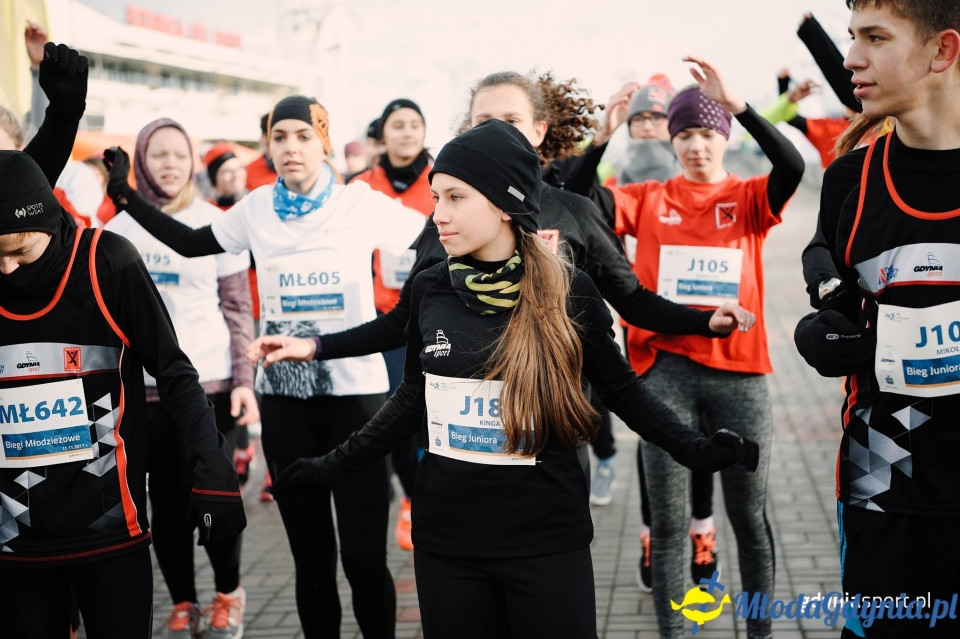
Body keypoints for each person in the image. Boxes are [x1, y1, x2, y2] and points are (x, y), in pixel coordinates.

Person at [251, 118, 760, 639]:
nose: (438, 215)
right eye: (435, 198)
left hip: (546, 537)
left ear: (501, 202)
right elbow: (410, 401)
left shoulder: (569, 290)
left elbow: (622, 391)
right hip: (447, 541)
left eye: (454, 198)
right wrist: (325, 468)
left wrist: (695, 449)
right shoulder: (431, 288)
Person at [102, 94, 426, 639]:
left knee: (365, 560)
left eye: (303, 136)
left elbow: (432, 238)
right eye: (280, 138)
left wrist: (416, 309)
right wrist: (126, 198)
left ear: (323, 141)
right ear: (268, 145)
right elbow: (189, 241)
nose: (291, 148)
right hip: (284, 401)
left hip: (360, 397)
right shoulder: (254, 208)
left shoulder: (358, 203)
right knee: (312, 560)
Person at [0, 44, 245, 639]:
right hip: (17, 545)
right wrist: (62, 115)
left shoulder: (106, 261)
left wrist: (212, 471)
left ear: (53, 228)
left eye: (19, 253)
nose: (6, 270)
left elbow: (172, 368)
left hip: (110, 533)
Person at [566, 57, 804, 639]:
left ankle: (760, 632)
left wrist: (741, 105)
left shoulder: (749, 197)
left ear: (724, 137)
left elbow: (792, 164)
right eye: (685, 135)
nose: (697, 146)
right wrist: (599, 139)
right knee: (670, 523)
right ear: (671, 141)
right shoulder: (644, 199)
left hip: (740, 374)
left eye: (708, 133)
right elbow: (571, 200)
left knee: (749, 515)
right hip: (663, 371)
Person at [794, 1, 960, 637]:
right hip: (883, 482)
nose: (851, 58)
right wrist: (825, 325)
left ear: (941, 52)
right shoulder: (850, 180)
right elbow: (840, 289)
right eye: (850, 37)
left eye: (875, 38)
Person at [105, 118, 257, 639]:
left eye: (178, 154)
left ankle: (228, 593)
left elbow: (238, 309)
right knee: (165, 509)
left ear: (192, 160)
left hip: (210, 385)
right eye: (158, 154)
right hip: (143, 393)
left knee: (212, 496)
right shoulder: (116, 229)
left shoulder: (214, 222)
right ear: (141, 160)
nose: (169, 164)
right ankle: (184, 601)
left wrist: (244, 380)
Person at [591, 76, 724, 592]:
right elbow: (584, 202)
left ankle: (702, 531)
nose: (647, 126)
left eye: (655, 117)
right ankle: (651, 533)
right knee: (656, 436)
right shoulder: (618, 175)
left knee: (703, 435)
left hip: (704, 327)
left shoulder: (695, 171)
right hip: (643, 325)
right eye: (639, 118)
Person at [349, 98, 433, 552]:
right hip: (385, 324)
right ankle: (411, 499)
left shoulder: (442, 179)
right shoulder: (360, 186)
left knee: (432, 416)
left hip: (437, 316)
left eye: (414, 125)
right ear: (383, 134)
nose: (406, 133)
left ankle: (433, 496)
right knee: (395, 417)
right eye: (396, 125)